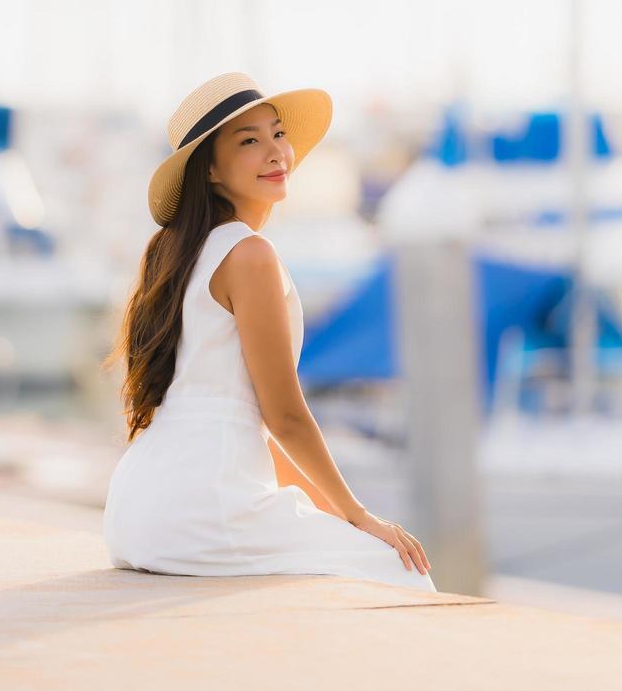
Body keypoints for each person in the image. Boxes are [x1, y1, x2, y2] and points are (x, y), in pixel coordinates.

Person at [102, 71, 435, 592]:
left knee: (349, 551)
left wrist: (337, 515)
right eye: (250, 141)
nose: (276, 151)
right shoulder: (249, 254)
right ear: (209, 169)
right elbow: (283, 412)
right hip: (202, 509)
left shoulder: (170, 252)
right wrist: (360, 516)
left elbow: (251, 422)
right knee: (396, 573)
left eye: (278, 134)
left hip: (132, 512)